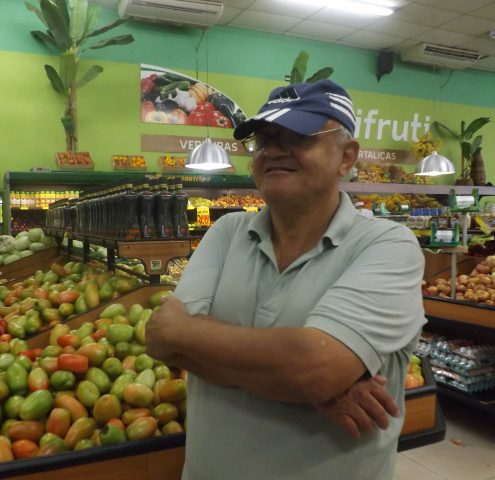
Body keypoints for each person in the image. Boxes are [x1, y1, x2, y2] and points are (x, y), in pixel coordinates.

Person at [145, 79, 426, 480]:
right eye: (264, 140)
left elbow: (315, 369)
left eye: (298, 136)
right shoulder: (225, 233)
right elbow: (160, 338)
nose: (274, 149)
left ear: (347, 156)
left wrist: (310, 376)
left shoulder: (387, 246)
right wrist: (301, 383)